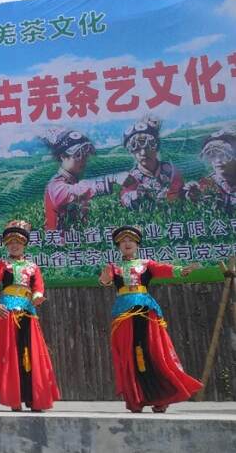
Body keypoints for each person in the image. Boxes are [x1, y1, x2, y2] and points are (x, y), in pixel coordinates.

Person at [99, 226, 202, 413]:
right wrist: (105, 277)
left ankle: (161, 397)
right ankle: (135, 398)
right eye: (123, 241)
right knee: (129, 354)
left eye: (131, 240)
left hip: (146, 310)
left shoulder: (147, 265)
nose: (127, 243)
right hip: (123, 313)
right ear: (118, 246)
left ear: (137, 244)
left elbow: (165, 269)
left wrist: (180, 270)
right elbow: (104, 281)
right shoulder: (113, 267)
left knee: (152, 352)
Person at [0, 221, 60, 411]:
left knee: (31, 353)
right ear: (6, 245)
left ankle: (35, 398)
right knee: (11, 354)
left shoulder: (32, 267)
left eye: (18, 241)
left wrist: (37, 297)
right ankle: (15, 398)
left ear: (25, 244)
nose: (14, 245)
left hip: (28, 312)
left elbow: (39, 287)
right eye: (10, 242)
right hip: (8, 313)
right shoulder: (2, 265)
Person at [43, 128, 122, 230]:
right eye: (78, 155)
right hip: (57, 242)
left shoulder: (71, 180)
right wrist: (110, 179)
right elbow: (75, 192)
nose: (83, 160)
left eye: (85, 156)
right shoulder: (55, 184)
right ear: (62, 156)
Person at [120, 115, 184, 209]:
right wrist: (136, 196)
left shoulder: (171, 170)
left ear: (156, 147)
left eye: (148, 147)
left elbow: (181, 191)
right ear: (132, 151)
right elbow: (125, 198)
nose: (143, 153)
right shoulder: (131, 177)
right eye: (137, 149)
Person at [185, 127, 236, 211]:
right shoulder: (206, 184)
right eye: (212, 155)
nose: (217, 161)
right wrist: (193, 198)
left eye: (224, 155)